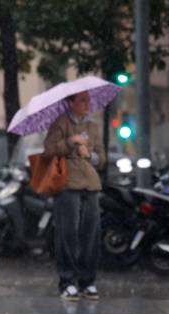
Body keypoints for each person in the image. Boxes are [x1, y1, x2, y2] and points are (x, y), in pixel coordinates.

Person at [43, 91, 105, 301]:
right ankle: (67, 281)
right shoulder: (60, 123)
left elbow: (102, 158)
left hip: (91, 184)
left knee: (91, 234)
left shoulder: (94, 126)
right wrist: (70, 142)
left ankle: (88, 281)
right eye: (82, 100)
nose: (87, 104)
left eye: (88, 100)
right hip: (68, 184)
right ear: (71, 102)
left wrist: (92, 155)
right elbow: (49, 150)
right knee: (67, 234)